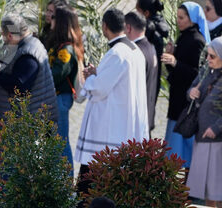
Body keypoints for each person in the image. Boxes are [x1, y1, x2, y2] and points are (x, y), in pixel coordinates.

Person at [72, 8, 147, 170]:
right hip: (126, 118)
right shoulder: (134, 50)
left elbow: (98, 90)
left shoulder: (117, 53)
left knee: (96, 175)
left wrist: (89, 77)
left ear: (104, 26)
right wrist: (98, 73)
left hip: (111, 126)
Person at [185, 37, 222, 208]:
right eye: (208, 55)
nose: (208, 59)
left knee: (220, 183)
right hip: (202, 133)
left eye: (212, 56)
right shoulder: (206, 71)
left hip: (220, 138)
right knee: (205, 182)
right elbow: (191, 88)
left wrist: (217, 128)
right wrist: (191, 92)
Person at [0, 14, 59, 128]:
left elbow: (20, 86)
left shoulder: (28, 53)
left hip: (30, 125)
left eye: (3, 35)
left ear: (10, 35)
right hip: (23, 122)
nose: (3, 39)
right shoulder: (24, 46)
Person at [161, 2, 208, 169]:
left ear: (193, 19)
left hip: (186, 104)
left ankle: (188, 189)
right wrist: (171, 58)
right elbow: (177, 72)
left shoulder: (196, 40)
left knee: (185, 149)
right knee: (175, 149)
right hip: (177, 101)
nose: (178, 21)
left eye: (182, 18)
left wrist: (175, 62)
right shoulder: (184, 37)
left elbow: (197, 73)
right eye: (177, 18)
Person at [45, 5, 83, 167]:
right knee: (53, 142)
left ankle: (66, 184)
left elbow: (57, 74)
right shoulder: (58, 45)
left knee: (61, 141)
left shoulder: (66, 49)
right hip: (55, 98)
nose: (50, 19)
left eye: (53, 17)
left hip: (61, 99)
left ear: (60, 22)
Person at [124, 11, 158, 135]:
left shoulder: (135, 51)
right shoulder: (150, 47)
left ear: (128, 28)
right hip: (147, 114)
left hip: (136, 118)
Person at [136, 0, 170, 110]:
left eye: (138, 12)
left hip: (144, 79)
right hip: (154, 79)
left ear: (146, 13)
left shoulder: (148, 31)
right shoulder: (160, 27)